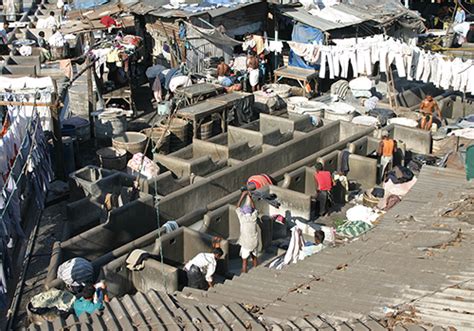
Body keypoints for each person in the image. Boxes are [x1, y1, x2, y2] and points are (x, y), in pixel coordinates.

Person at [236, 191, 259, 273]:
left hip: (246, 243)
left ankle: (244, 274)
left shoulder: (242, 218)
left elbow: (237, 207)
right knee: (254, 257)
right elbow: (255, 208)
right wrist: (251, 198)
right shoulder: (254, 217)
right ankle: (256, 270)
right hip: (254, 242)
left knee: (244, 260)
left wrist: (242, 196)